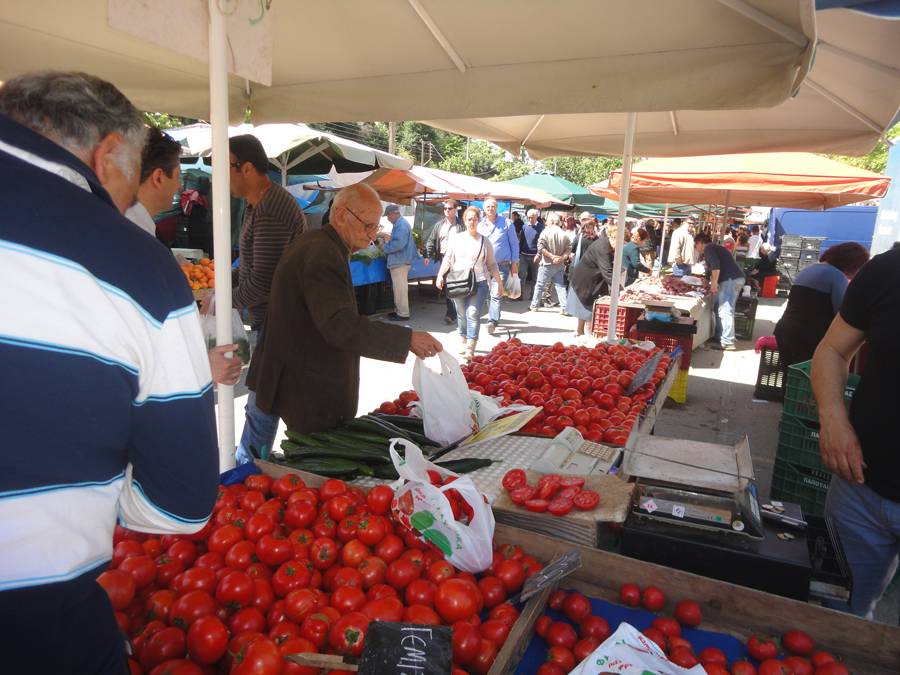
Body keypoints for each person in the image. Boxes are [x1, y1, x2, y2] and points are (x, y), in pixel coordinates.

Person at [0, 70, 218, 674]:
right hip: (36, 627)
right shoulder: (132, 263)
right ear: (107, 154)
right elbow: (181, 506)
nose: (127, 203)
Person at [246, 184, 443, 436]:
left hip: (288, 372)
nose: (371, 236)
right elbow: (340, 325)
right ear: (341, 216)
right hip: (299, 379)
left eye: (375, 227)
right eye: (367, 225)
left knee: (259, 440)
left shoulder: (320, 244)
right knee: (262, 449)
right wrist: (407, 339)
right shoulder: (322, 253)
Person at [811, 246, 900, 620]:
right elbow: (832, 349)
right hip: (860, 489)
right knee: (838, 615)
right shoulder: (888, 271)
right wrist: (833, 418)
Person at [127, 127, 243, 386]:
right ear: (158, 177)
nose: (180, 186)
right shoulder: (134, 240)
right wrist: (200, 366)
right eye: (178, 176)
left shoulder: (141, 231)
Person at [222, 134, 308, 464]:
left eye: (226, 167)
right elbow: (249, 267)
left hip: (278, 323)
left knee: (262, 403)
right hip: (272, 321)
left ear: (246, 168)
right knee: (263, 401)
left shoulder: (271, 209)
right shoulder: (257, 205)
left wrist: (224, 302)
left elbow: (262, 282)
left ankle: (248, 470)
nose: (222, 176)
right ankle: (250, 466)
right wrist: (221, 286)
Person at [774, 242, 870, 371]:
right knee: (809, 377)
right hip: (808, 336)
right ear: (852, 264)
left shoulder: (808, 269)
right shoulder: (837, 276)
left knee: (791, 376)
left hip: (784, 330)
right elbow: (843, 314)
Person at [436, 206, 504, 360]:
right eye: (469, 219)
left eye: (475, 219)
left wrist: (499, 283)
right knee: (461, 313)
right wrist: (440, 275)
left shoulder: (484, 241)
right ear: (464, 221)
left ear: (479, 220)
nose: (472, 222)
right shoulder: (456, 239)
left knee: (472, 312)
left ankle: (471, 346)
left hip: (479, 282)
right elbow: (447, 259)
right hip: (458, 282)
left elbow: (492, 264)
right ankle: (463, 339)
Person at [694, 232, 745, 350]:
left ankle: (728, 342)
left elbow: (716, 266)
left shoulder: (709, 248)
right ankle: (719, 337)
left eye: (696, 245)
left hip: (730, 280)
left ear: (700, 243)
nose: (696, 248)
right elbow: (710, 268)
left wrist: (714, 283)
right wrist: (707, 280)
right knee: (719, 307)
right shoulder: (713, 249)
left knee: (725, 310)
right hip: (732, 279)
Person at [478, 197, 519, 334]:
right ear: (484, 209)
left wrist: (514, 263)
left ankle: (492, 321)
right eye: (488, 206)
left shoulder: (507, 223)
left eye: (493, 206)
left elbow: (514, 244)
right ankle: (495, 315)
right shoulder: (480, 225)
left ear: (497, 208)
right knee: (488, 294)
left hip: (501, 265)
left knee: (496, 293)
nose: (490, 208)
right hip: (484, 266)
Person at [569, 221, 618, 334]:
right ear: (614, 238)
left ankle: (582, 333)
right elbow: (607, 271)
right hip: (585, 279)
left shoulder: (605, 243)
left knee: (587, 307)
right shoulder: (603, 247)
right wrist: (619, 289)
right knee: (587, 307)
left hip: (591, 278)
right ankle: (585, 334)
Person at [425, 199, 465, 324]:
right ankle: (451, 313)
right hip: (444, 259)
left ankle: (459, 312)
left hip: (459, 259)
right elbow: (431, 240)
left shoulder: (461, 225)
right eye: (445, 208)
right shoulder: (439, 225)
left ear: (456, 209)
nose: (447, 210)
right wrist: (428, 255)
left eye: (449, 208)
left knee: (459, 286)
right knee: (447, 287)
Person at [381, 203, 418, 322]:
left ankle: (403, 314)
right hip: (401, 261)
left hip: (400, 261)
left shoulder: (401, 225)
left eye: (388, 215)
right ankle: (399, 311)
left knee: (400, 289)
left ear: (394, 213)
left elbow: (399, 244)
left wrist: (385, 247)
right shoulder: (400, 224)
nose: (388, 218)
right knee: (399, 289)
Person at [565, 213, 600, 336]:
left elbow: (572, 251)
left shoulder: (579, 238)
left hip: (580, 272)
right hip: (593, 273)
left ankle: (580, 330)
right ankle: (589, 331)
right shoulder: (597, 240)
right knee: (590, 302)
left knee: (581, 302)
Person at [529, 212, 572, 313]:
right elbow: (569, 249)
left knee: (540, 285)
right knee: (560, 286)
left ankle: (534, 305)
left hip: (546, 264)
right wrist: (561, 258)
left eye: (547, 221)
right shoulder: (564, 234)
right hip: (559, 265)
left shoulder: (545, 232)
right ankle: (564, 307)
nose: (546, 223)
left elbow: (540, 247)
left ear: (551, 222)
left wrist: (551, 256)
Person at [518, 208, 543, 300]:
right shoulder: (525, 226)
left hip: (535, 256)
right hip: (523, 255)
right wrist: (519, 253)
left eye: (532, 217)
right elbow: (521, 240)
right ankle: (520, 295)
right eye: (528, 217)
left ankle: (533, 296)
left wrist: (539, 254)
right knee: (521, 275)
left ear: (536, 217)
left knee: (535, 277)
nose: (530, 219)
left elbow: (542, 243)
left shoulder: (541, 227)